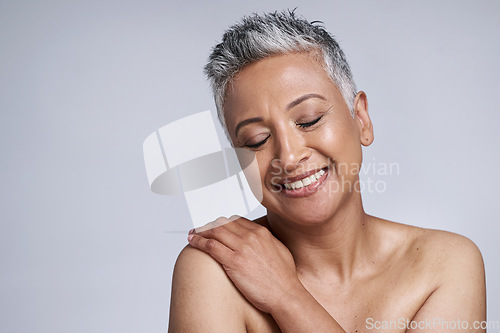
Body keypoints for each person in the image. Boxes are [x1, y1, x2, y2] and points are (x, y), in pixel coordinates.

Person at [168, 10, 486, 332]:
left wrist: (287, 296)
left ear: (361, 119)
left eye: (308, 120)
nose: (289, 157)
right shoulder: (214, 270)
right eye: (257, 140)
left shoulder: (445, 265)